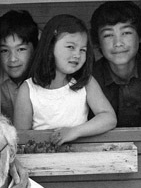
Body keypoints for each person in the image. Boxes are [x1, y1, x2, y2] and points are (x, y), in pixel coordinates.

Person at [13, 14, 117, 145]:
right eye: (70, 47)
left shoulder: (86, 83)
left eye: (83, 50)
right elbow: (20, 138)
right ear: (50, 47)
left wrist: (75, 131)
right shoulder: (28, 89)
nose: (77, 54)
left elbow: (109, 117)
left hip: (80, 159)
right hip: (41, 160)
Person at [90, 0, 141, 128]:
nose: (118, 43)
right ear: (97, 41)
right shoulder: (90, 78)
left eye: (126, 33)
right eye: (108, 35)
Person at [0, 9, 38, 120]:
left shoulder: (44, 81)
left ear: (35, 49)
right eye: (4, 51)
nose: (13, 59)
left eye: (21, 49)